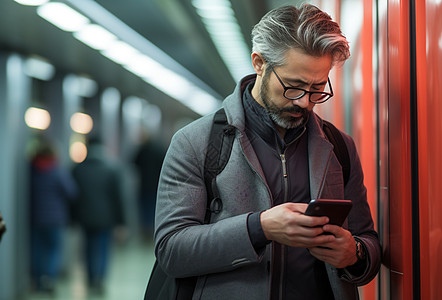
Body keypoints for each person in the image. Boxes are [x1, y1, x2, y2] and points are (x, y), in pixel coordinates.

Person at [154, 3, 381, 300]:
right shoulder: (196, 142)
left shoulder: (339, 147)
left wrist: (356, 253)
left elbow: (368, 243)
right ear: (259, 63)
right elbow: (171, 249)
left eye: (317, 88)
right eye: (294, 86)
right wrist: (259, 228)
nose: (304, 102)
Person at [72, 137, 125, 294]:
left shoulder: (78, 169)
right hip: (106, 218)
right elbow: (117, 198)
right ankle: (99, 279)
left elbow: (74, 197)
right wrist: (121, 222)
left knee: (88, 247)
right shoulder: (111, 169)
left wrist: (73, 218)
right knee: (102, 248)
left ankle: (90, 278)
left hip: (85, 217)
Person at [29, 138, 78, 294]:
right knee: (53, 250)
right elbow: (72, 192)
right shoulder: (57, 171)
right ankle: (49, 279)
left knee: (37, 249)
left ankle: (37, 280)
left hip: (36, 218)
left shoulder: (32, 171)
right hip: (55, 219)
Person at [133, 132, 166, 242]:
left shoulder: (142, 149)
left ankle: (146, 230)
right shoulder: (160, 149)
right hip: (157, 185)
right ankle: (154, 230)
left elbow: (134, 162)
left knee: (144, 208)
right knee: (155, 208)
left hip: (144, 185)